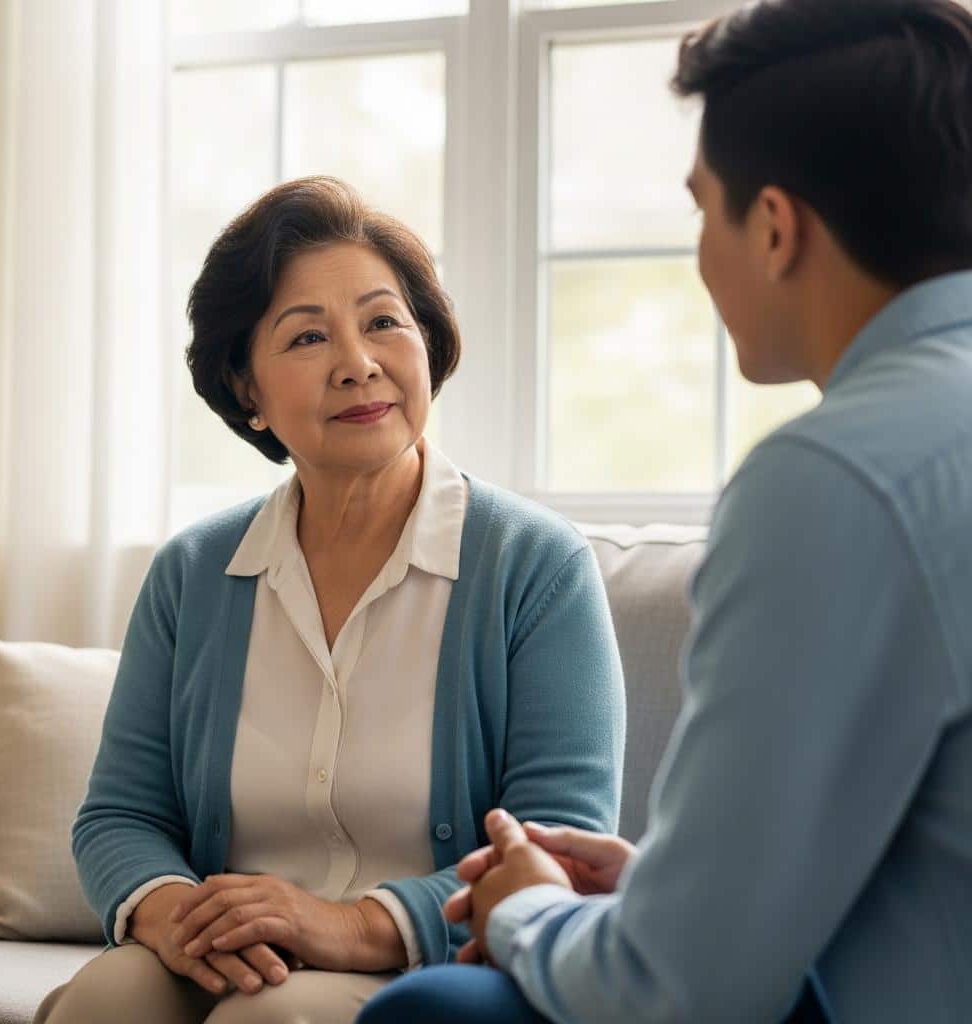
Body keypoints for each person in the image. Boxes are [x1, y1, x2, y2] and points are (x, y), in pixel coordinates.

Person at [357, 1, 972, 1021]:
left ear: (774, 227)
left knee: (429, 1013)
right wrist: (665, 888)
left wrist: (525, 909)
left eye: (701, 209)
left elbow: (680, 991)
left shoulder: (832, 479)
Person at [32, 177, 625, 1024]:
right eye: (309, 336)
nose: (359, 362)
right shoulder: (194, 573)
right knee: (107, 997)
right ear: (247, 390)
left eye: (385, 321)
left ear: (428, 342)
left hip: (427, 964)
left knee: (272, 1019)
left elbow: (551, 844)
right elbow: (121, 812)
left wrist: (347, 924)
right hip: (234, 950)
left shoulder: (534, 565)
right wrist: (176, 914)